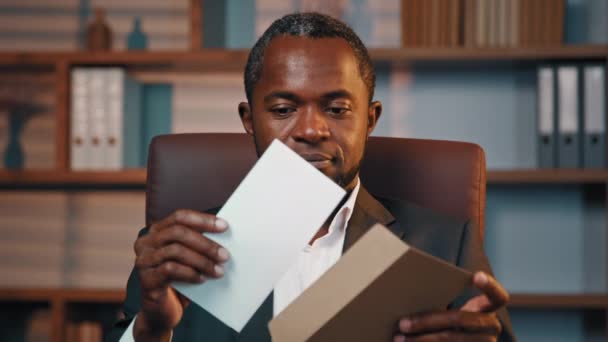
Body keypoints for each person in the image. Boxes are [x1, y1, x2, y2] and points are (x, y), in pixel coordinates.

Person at [108, 12, 515, 342]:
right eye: (284, 109)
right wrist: (151, 331)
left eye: (337, 109)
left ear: (370, 120)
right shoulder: (178, 253)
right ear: (250, 121)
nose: (311, 130)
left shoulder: (447, 245)